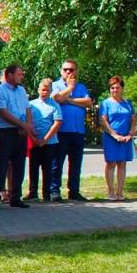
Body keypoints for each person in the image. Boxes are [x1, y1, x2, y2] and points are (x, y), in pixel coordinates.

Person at [0, 64, 34, 209]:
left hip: (20, 132)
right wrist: (22, 125)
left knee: (19, 165)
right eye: (19, 74)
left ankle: (16, 197)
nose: (22, 77)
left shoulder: (21, 90)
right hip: (6, 132)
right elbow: (3, 113)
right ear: (9, 75)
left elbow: (27, 109)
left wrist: (27, 125)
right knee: (2, 165)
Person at [50, 59, 93, 201]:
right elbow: (57, 99)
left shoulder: (82, 87)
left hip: (78, 130)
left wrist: (68, 100)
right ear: (61, 71)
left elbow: (88, 102)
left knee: (76, 163)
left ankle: (74, 191)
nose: (68, 72)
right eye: (65, 69)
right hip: (61, 130)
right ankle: (54, 190)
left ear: (76, 71)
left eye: (71, 69)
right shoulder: (55, 85)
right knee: (57, 163)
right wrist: (70, 88)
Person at [98, 75, 136, 201]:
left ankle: (120, 192)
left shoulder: (128, 103)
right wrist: (115, 135)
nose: (115, 90)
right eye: (112, 88)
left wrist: (130, 134)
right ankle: (111, 192)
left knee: (122, 164)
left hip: (125, 138)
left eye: (117, 87)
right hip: (111, 137)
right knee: (111, 163)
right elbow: (103, 121)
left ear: (122, 88)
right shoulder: (105, 103)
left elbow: (133, 120)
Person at [27, 78, 63, 202]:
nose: (45, 92)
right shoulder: (31, 105)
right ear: (38, 90)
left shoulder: (55, 105)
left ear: (51, 91)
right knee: (33, 167)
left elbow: (57, 123)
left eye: (47, 90)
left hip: (50, 142)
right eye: (43, 90)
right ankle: (32, 192)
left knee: (47, 168)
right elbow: (27, 121)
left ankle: (46, 194)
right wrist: (33, 138)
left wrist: (45, 139)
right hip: (34, 140)